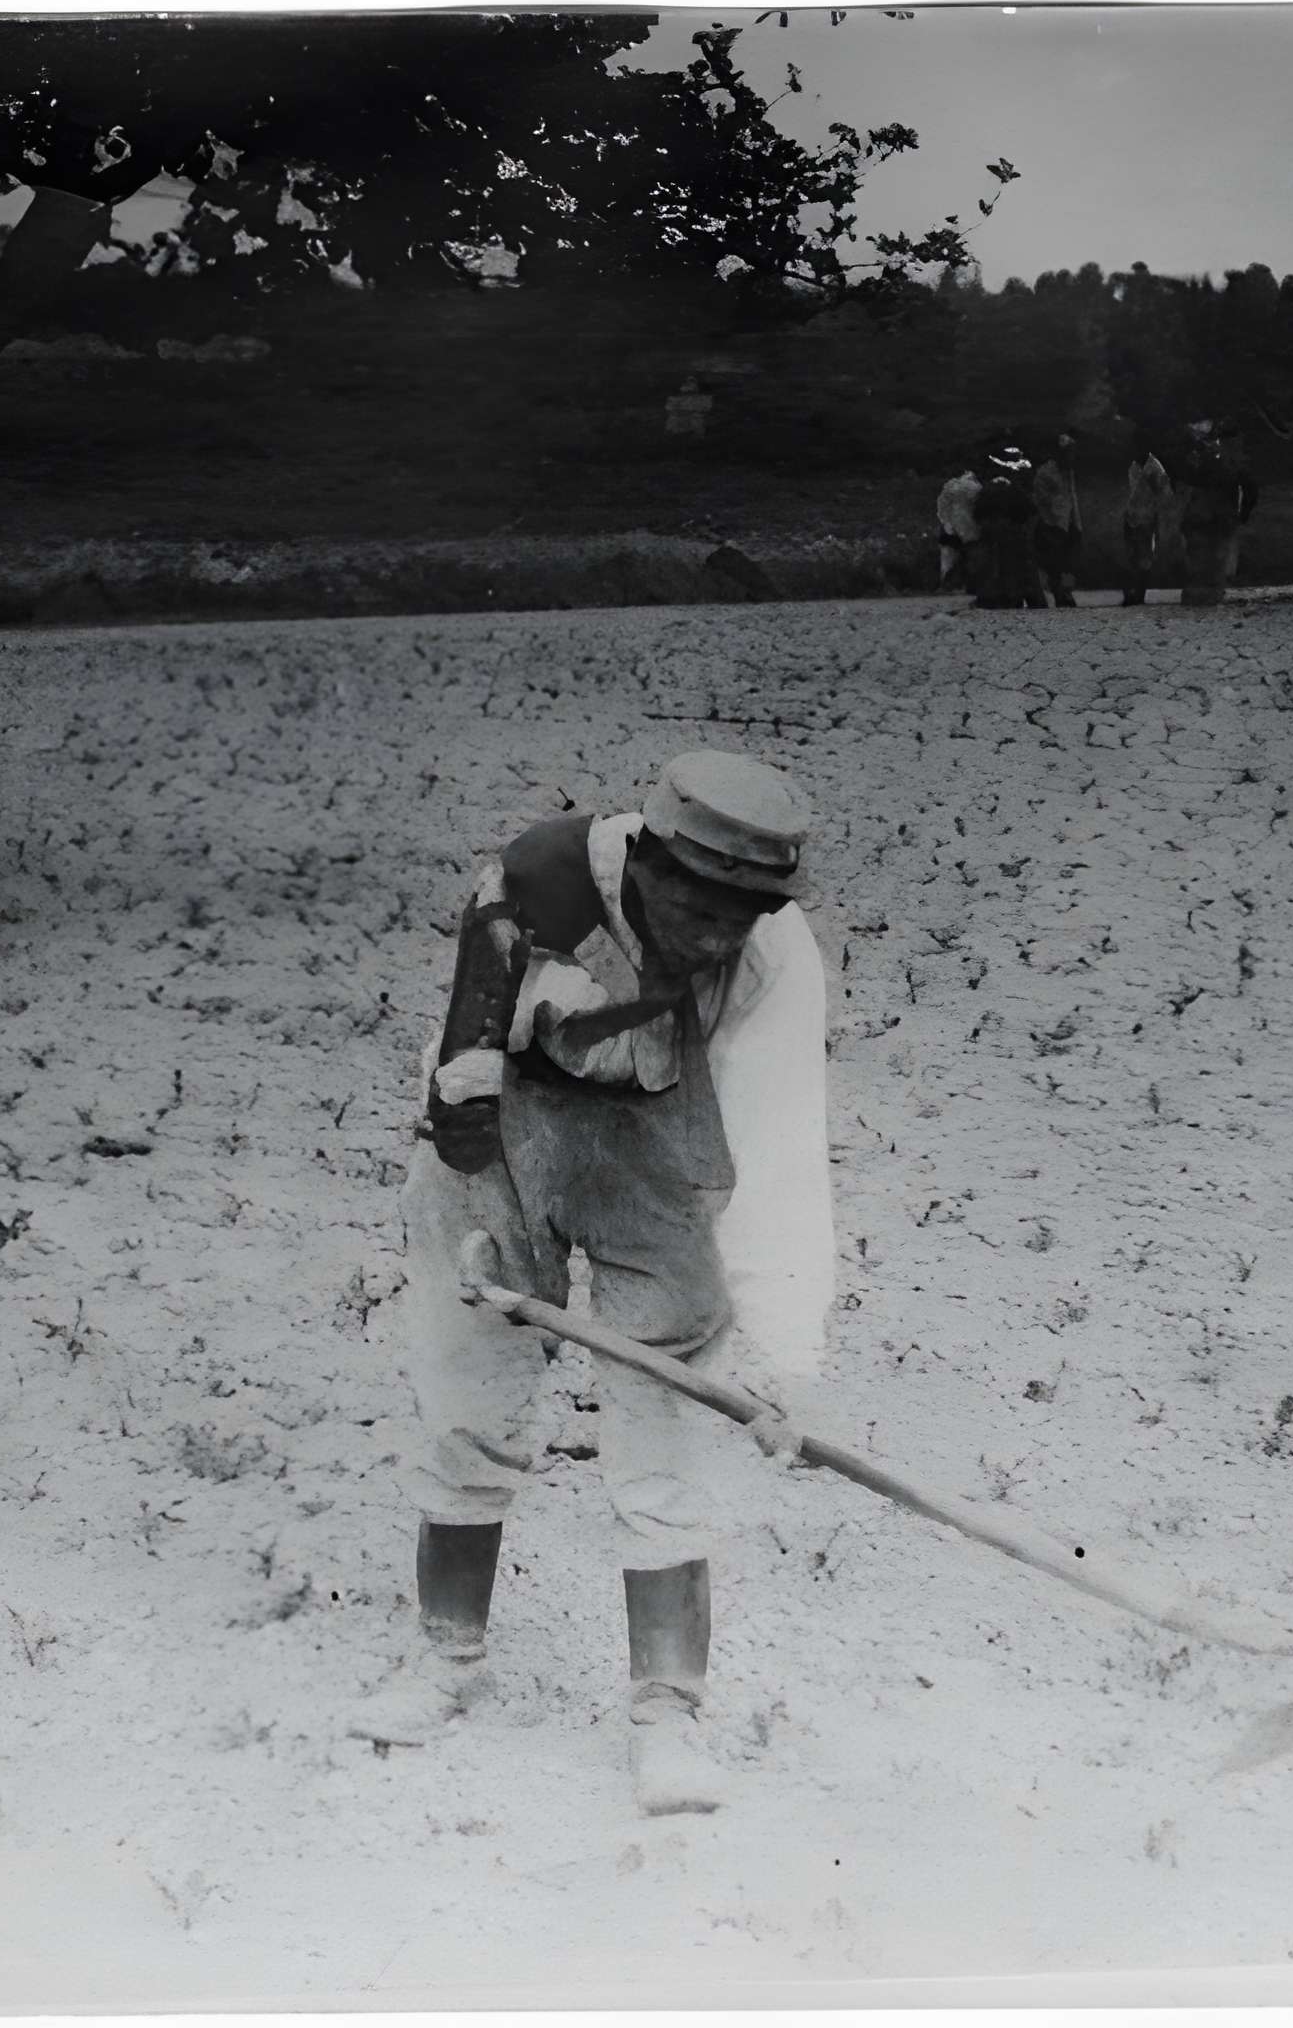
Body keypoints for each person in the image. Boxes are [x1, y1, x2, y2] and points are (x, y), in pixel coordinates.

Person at [355, 751, 835, 1817]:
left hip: (659, 1153)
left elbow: (780, 1145)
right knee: (465, 1391)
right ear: (647, 859)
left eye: (742, 914)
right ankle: (447, 1656)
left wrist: (783, 1355)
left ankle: (667, 1709)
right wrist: (470, 1209)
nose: (715, 936)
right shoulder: (535, 882)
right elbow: (460, 1065)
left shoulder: (774, 962)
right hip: (503, 1138)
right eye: (696, 907)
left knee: (663, 1418)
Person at [1177, 419, 1260, 607]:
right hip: (1220, 514)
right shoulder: (1232, 460)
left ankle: (1196, 593)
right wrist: (1243, 514)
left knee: (1199, 553)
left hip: (1200, 512)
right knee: (1216, 555)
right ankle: (1210, 593)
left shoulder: (1198, 456)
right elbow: (1249, 488)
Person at [972, 446, 1041, 609]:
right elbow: (1030, 510)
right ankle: (1016, 597)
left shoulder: (987, 490)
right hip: (1013, 533)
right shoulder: (1015, 489)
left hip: (993, 533)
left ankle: (992, 598)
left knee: (993, 566)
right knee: (1016, 567)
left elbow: (978, 514)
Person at [1029, 431, 1084, 607]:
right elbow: (1041, 500)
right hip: (1051, 525)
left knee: (1068, 563)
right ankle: (1059, 593)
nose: (1072, 456)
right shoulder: (1045, 473)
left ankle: (1065, 593)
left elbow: (1072, 498)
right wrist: (1053, 521)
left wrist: (1076, 524)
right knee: (1054, 564)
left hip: (1068, 524)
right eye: (1069, 452)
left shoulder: (1069, 472)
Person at [1117, 432, 1172, 606]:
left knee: (1145, 557)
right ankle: (1131, 593)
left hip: (1147, 519)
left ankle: (1139, 594)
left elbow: (1166, 495)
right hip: (1132, 517)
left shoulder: (1155, 468)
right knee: (1132, 557)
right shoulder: (1134, 465)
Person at [933, 459, 984, 592]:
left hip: (949, 528)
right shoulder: (977, 488)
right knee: (969, 558)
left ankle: (945, 585)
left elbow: (941, 506)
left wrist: (946, 523)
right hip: (970, 529)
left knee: (947, 559)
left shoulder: (950, 486)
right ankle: (968, 585)